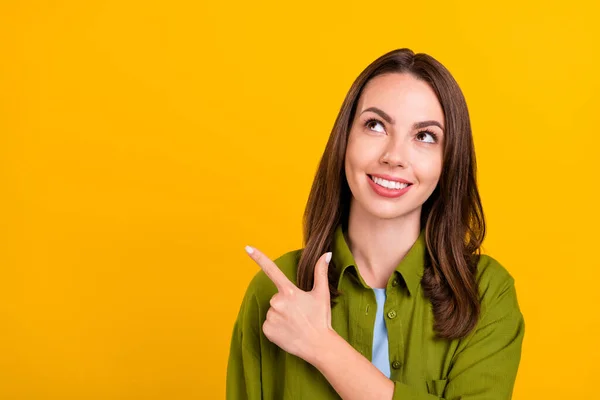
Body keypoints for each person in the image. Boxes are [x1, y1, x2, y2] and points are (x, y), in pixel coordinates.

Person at [226, 48, 525, 400]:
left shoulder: (487, 293)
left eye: (424, 136)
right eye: (375, 125)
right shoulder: (277, 292)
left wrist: (322, 346)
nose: (394, 156)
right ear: (345, 140)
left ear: (448, 161)